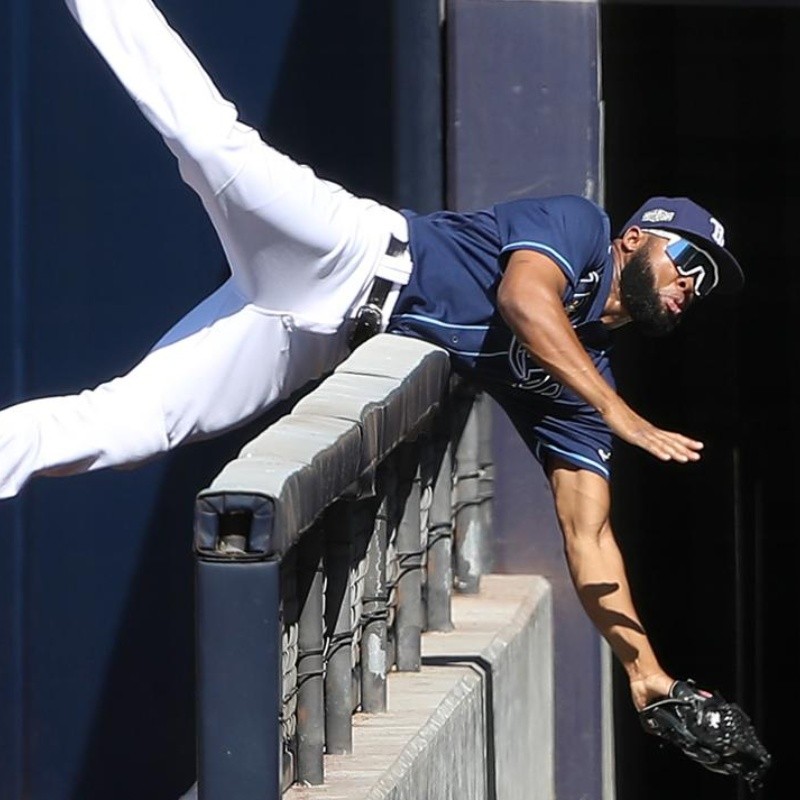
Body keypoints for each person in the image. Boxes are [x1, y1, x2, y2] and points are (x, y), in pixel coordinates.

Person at [1, 0, 761, 776]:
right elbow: (523, 300)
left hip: (312, 337)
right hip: (347, 252)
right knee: (205, 135)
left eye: (703, 284)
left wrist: (643, 669)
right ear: (639, 235)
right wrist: (618, 413)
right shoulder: (579, 228)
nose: (690, 287)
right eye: (687, 262)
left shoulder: (580, 380)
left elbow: (589, 534)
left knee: (135, 427)